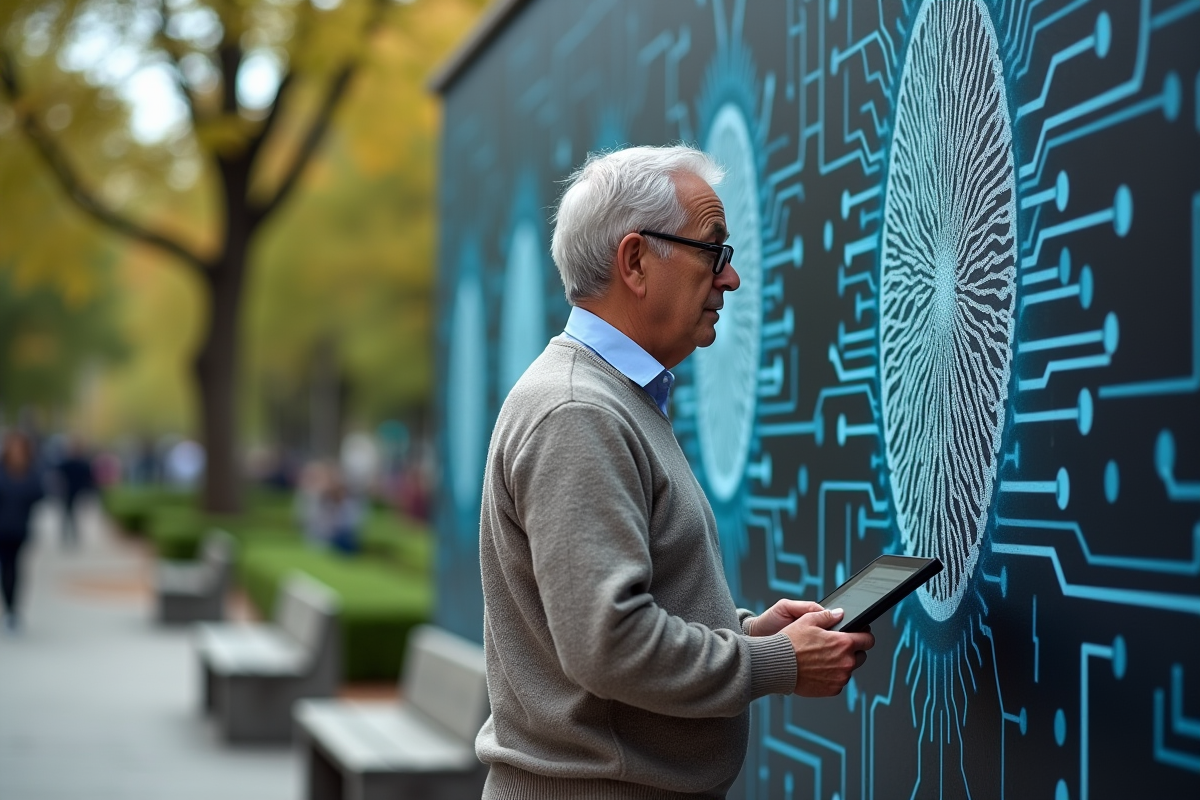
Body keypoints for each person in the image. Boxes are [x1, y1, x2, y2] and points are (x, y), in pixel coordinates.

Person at [475, 145, 876, 798]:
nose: (730, 279)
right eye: (714, 252)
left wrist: (743, 632)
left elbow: (611, 620)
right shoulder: (579, 411)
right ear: (635, 260)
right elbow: (612, 644)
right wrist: (778, 661)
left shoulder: (607, 400)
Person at [0, 431, 46, 632]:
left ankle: (14, 610)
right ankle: (9, 609)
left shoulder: (32, 472)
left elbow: (40, 494)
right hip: (1, 529)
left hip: (20, 529)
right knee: (6, 568)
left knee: (16, 569)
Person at [54, 437, 96, 547]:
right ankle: (70, 536)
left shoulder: (71, 463)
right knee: (69, 516)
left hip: (72, 493)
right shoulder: (80, 463)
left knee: (69, 516)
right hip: (71, 493)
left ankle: (69, 536)